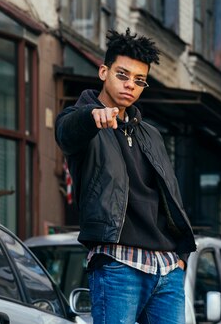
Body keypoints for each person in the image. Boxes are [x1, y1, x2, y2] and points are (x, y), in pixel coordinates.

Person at [55, 28, 196, 324]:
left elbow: (170, 196)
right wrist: (91, 117)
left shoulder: (151, 135)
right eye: (122, 75)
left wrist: (181, 255)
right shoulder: (82, 120)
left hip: (166, 269)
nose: (130, 85)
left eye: (139, 80)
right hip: (119, 265)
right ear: (104, 72)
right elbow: (66, 134)